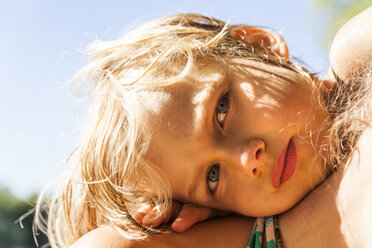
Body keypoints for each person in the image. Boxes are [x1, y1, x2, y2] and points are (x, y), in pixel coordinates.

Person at [35, 7, 372, 248]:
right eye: (213, 175)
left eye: (222, 109)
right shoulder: (263, 233)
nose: (245, 160)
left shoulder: (357, 63)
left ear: (260, 46)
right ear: (207, 212)